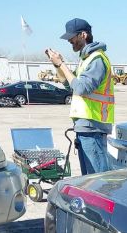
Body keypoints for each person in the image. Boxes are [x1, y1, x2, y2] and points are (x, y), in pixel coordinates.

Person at [45, 18, 114, 175]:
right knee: (88, 180)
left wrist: (62, 63)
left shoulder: (97, 59)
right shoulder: (85, 60)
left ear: (83, 35)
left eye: (72, 37)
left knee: (99, 179)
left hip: (93, 126)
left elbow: (81, 88)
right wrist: (57, 65)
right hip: (85, 127)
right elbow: (70, 85)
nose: (69, 40)